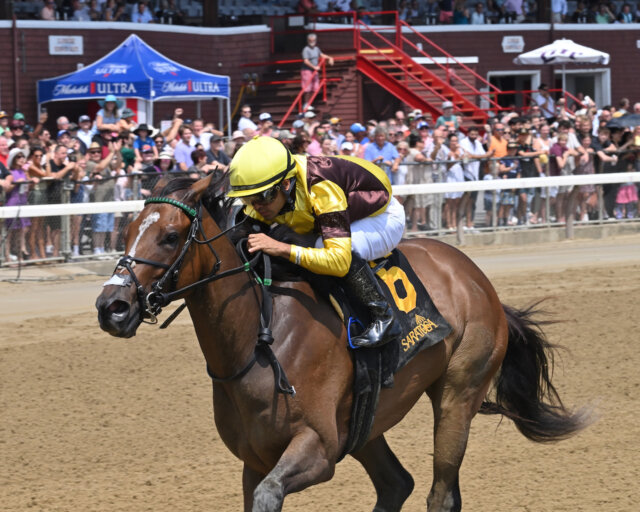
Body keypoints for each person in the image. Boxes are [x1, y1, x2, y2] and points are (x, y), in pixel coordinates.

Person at [227, 136, 406, 348]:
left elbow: (339, 261)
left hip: (381, 218)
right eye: (248, 199)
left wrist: (281, 248)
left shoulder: (321, 186)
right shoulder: (271, 190)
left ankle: (384, 316)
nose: (256, 206)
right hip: (336, 214)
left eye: (263, 197)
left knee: (323, 246)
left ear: (286, 184)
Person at [3, 149, 31, 264]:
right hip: (12, 202)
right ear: (13, 159)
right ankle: (8, 257)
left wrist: (30, 182)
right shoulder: (10, 172)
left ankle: (19, 256)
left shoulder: (23, 172)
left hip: (22, 202)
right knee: (9, 233)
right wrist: (16, 183)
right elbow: (7, 189)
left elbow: (26, 189)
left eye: (22, 156)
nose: (21, 159)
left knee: (21, 231)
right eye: (18, 157)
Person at [301, 33, 334, 110]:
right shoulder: (306, 49)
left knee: (315, 87)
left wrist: (330, 58)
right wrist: (314, 67)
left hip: (314, 70)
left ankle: (309, 103)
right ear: (308, 41)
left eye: (313, 40)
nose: (312, 41)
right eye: (310, 40)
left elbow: (321, 55)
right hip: (307, 70)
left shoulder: (316, 48)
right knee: (307, 88)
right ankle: (306, 104)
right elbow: (306, 61)